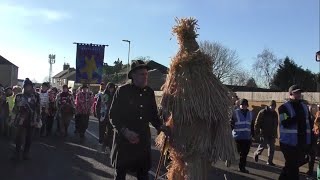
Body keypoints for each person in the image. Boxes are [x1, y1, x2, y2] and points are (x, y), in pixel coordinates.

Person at [109, 60, 170, 180]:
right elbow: (113, 116)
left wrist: (160, 127)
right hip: (124, 141)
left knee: (143, 174)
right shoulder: (122, 91)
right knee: (120, 174)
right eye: (142, 74)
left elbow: (153, 115)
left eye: (146, 74)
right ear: (133, 75)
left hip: (142, 141)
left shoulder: (149, 92)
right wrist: (125, 132)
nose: (145, 77)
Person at [278, 85, 312, 180]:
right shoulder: (283, 108)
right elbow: (285, 123)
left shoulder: (305, 107)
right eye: (296, 92)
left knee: (291, 166)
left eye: (299, 92)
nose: (298, 94)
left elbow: (310, 123)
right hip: (288, 143)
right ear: (290, 94)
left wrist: (310, 140)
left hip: (302, 142)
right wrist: (297, 117)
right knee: (293, 168)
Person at [11, 78, 41, 160]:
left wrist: (38, 119)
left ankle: (26, 153)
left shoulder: (36, 96)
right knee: (18, 137)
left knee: (29, 138)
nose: (28, 88)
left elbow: (38, 108)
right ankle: (17, 153)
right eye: (26, 86)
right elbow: (15, 108)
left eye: (29, 86)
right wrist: (12, 119)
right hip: (21, 119)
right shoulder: (19, 96)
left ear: (31, 87)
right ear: (24, 87)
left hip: (32, 119)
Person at [230, 98, 253, 173]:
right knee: (236, 152)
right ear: (239, 105)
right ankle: (229, 159)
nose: (243, 106)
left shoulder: (250, 113)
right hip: (237, 137)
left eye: (245, 105)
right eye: (242, 105)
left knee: (244, 154)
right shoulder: (235, 113)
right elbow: (231, 124)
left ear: (247, 106)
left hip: (247, 138)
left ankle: (242, 168)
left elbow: (251, 125)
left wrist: (253, 133)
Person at [253, 100, 278, 166]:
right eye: (272, 106)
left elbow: (276, 124)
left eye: (274, 106)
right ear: (269, 106)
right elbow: (257, 122)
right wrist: (257, 131)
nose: (273, 108)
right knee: (262, 146)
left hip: (272, 133)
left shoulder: (275, 114)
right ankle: (256, 153)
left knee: (272, 148)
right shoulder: (263, 112)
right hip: (264, 132)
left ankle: (270, 161)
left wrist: (275, 134)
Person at [95, 82, 116, 153]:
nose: (111, 89)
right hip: (103, 116)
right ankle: (100, 146)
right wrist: (98, 115)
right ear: (107, 88)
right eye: (110, 88)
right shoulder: (102, 95)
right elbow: (97, 106)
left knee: (110, 133)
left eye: (112, 88)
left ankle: (107, 147)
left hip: (112, 117)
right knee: (101, 131)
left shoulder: (116, 96)